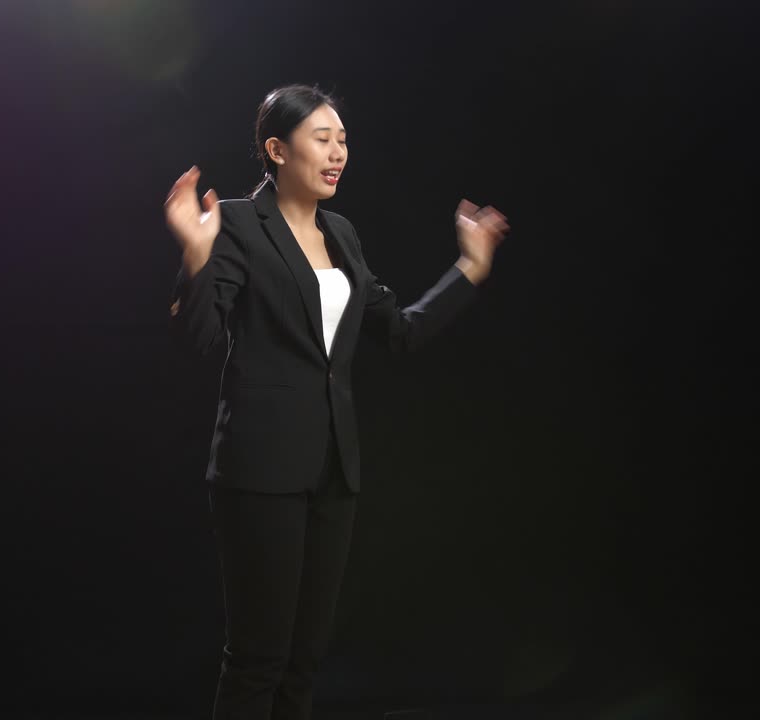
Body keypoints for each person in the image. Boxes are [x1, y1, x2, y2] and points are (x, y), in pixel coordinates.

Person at [165, 84, 508, 720]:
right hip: (260, 469)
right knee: (258, 659)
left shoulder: (342, 234)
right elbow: (201, 338)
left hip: (334, 471)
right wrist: (195, 252)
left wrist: (470, 269)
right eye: (322, 139)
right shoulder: (238, 222)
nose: (337, 153)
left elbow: (399, 332)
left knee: (305, 660)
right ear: (277, 149)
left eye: (343, 140)